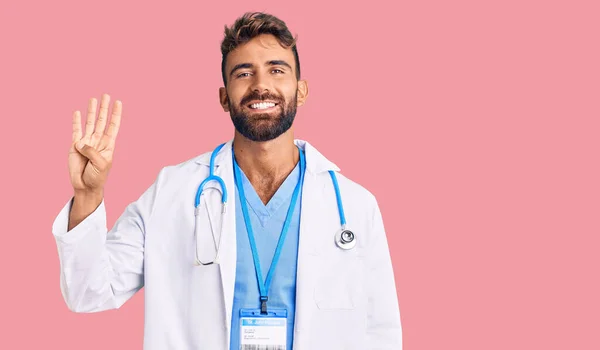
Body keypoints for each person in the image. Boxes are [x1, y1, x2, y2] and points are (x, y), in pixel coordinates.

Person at [52, 11, 402, 350]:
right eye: (243, 73)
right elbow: (89, 292)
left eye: (277, 70)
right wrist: (88, 195)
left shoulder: (354, 206)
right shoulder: (172, 192)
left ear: (301, 90)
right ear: (224, 97)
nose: (261, 85)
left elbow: (381, 333)